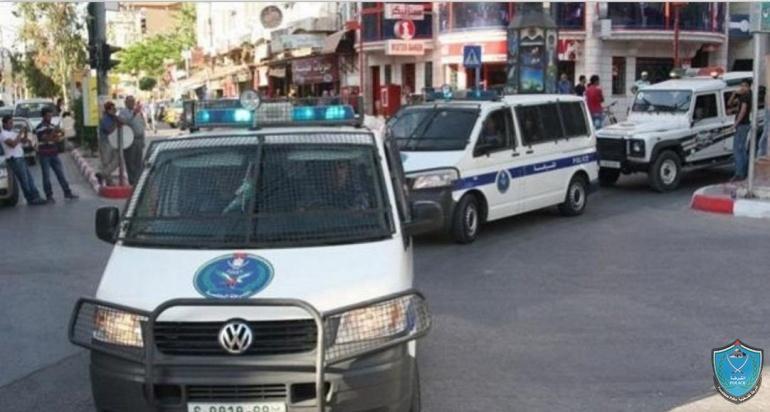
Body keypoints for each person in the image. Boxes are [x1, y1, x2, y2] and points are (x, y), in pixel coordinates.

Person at [34, 107, 78, 202]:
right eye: (48, 116)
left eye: (50, 116)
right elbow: (46, 139)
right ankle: (49, 196)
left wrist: (59, 134)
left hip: (53, 153)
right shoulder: (40, 127)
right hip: (44, 155)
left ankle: (67, 192)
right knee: (46, 176)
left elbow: (56, 139)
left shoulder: (52, 126)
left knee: (60, 174)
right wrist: (54, 132)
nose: (50, 118)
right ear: (43, 116)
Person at [1, 115, 46, 206]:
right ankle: (30, 198)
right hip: (14, 159)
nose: (12, 125)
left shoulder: (12, 132)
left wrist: (24, 132)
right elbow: (13, 144)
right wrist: (19, 133)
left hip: (20, 157)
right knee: (24, 180)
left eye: (12, 123)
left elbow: (23, 141)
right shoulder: (3, 135)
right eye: (10, 123)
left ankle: (36, 196)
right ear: (4, 124)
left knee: (29, 178)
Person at [118, 95, 146, 186]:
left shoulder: (138, 113)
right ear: (126, 103)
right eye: (130, 102)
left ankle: (138, 181)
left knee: (139, 162)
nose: (132, 103)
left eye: (133, 101)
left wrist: (143, 140)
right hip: (130, 140)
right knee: (130, 162)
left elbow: (142, 126)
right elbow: (126, 122)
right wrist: (133, 114)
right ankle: (132, 181)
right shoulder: (123, 112)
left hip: (138, 140)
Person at [728, 79, 752, 181]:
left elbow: (743, 111)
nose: (742, 88)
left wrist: (735, 124)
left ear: (749, 87)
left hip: (742, 125)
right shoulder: (743, 96)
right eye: (741, 85)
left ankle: (740, 173)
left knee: (737, 149)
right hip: (744, 124)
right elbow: (730, 103)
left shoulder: (746, 97)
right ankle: (745, 172)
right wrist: (734, 93)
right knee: (741, 149)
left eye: (745, 86)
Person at [97, 101, 122, 186]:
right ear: (108, 110)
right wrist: (115, 122)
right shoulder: (105, 119)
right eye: (113, 109)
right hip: (105, 143)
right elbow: (109, 130)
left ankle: (102, 174)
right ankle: (109, 182)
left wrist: (117, 119)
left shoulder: (113, 118)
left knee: (118, 160)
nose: (115, 110)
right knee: (106, 162)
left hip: (113, 142)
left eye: (115, 109)